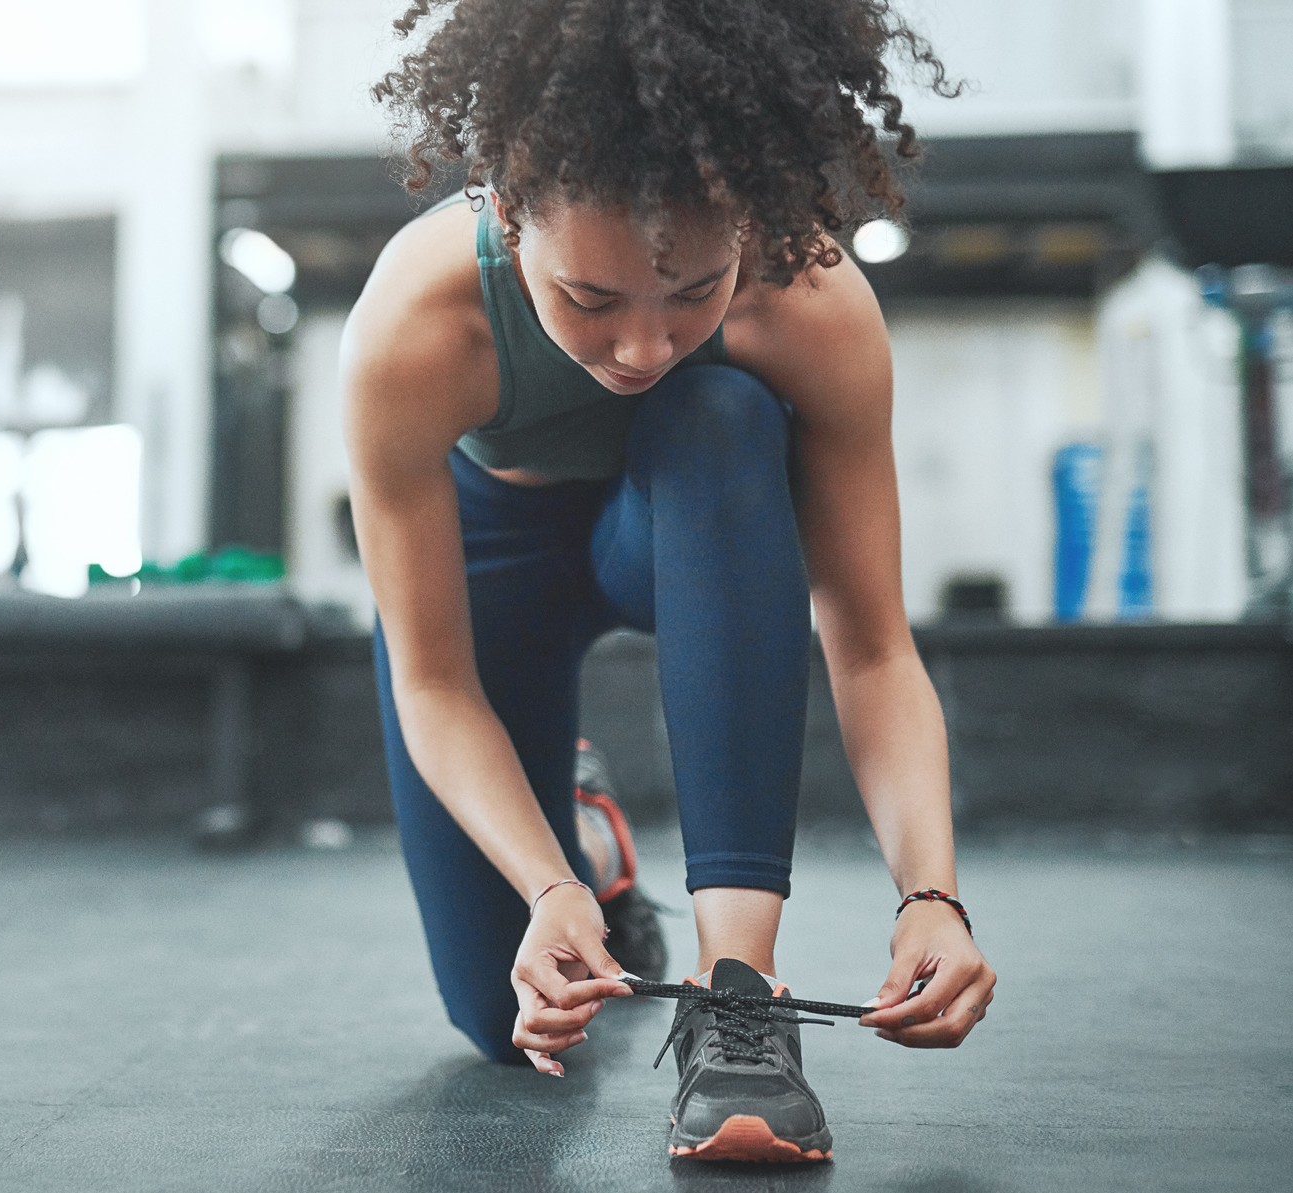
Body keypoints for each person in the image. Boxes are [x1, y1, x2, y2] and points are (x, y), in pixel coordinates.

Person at [341, 0, 997, 1163]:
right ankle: (589, 846)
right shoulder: (413, 322)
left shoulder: (811, 301)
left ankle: (735, 988)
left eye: (693, 291)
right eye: (590, 300)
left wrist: (931, 893)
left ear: (748, 224)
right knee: (505, 1021)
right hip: (502, 565)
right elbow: (432, 681)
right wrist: (548, 887)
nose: (643, 347)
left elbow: (873, 646)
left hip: (683, 529)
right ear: (505, 212)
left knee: (718, 411)